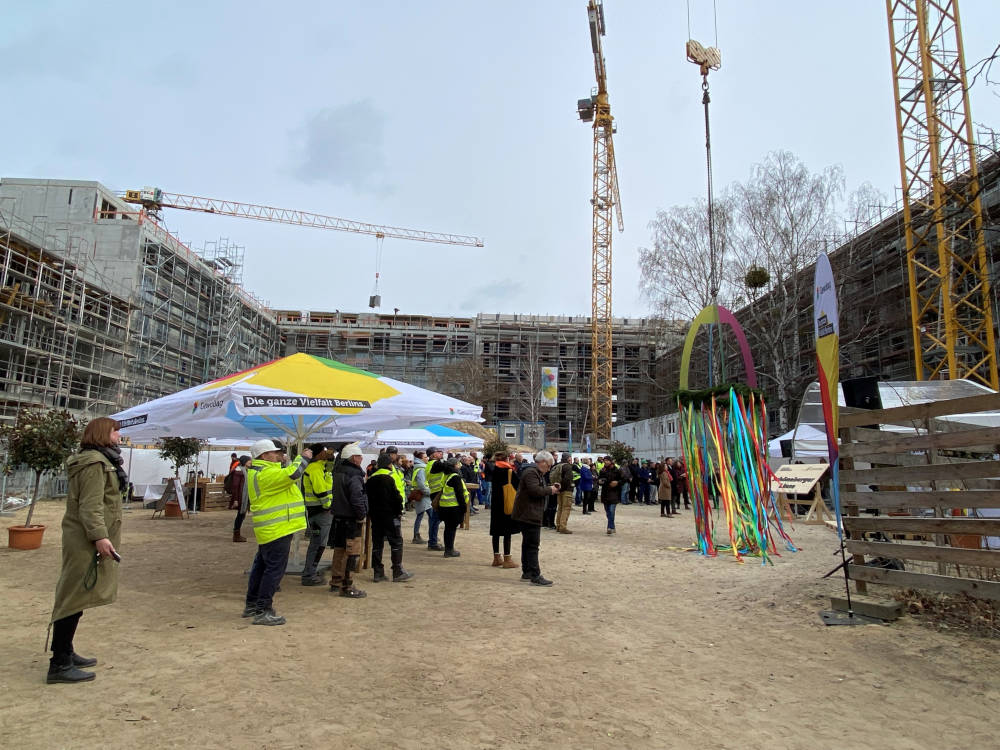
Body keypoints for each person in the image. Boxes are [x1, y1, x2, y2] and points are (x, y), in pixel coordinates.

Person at [47, 417, 126, 684]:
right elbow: (90, 506)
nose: (119, 437)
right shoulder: (95, 463)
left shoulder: (98, 460)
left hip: (85, 538)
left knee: (77, 595)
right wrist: (100, 537)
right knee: (73, 597)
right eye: (116, 432)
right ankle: (59, 663)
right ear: (105, 433)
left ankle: (66, 652)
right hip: (85, 539)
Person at [243, 439, 312, 625]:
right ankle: (263, 609)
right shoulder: (265, 473)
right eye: (276, 453)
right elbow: (293, 474)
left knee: (261, 567)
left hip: (270, 528)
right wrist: (303, 458)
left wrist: (287, 460)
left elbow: (285, 473)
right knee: (274, 570)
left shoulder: (259, 471)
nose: (279, 455)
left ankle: (252, 604)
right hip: (277, 528)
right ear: (264, 455)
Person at [511, 451, 559, 586]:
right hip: (528, 514)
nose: (549, 468)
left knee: (527, 544)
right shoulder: (531, 473)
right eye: (548, 465)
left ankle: (527, 572)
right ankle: (535, 575)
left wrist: (550, 488)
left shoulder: (535, 473)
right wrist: (550, 490)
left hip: (528, 513)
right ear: (542, 462)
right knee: (532, 545)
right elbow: (535, 491)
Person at [328, 443, 369, 598]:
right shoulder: (354, 475)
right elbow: (357, 497)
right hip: (350, 519)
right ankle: (347, 586)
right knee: (352, 552)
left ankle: (336, 581)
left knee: (339, 551)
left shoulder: (337, 472)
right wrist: (361, 515)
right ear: (353, 458)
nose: (361, 458)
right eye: (359, 456)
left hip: (338, 517)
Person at [367, 453, 414, 583]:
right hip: (390, 515)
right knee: (396, 541)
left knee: (377, 543)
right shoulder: (391, 477)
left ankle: (378, 572)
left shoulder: (371, 479)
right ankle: (397, 570)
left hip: (376, 515)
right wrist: (399, 510)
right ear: (389, 464)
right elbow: (397, 496)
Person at [300, 444, 334, 586]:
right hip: (320, 511)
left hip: (318, 510)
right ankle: (309, 574)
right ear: (319, 454)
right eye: (324, 451)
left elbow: (330, 469)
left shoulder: (320, 466)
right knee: (318, 544)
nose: (326, 453)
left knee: (317, 543)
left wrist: (331, 458)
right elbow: (320, 490)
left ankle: (309, 573)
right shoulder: (314, 469)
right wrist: (328, 506)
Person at [487, 451, 519, 568]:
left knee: (496, 531)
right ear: (506, 459)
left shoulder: (494, 470)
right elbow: (518, 485)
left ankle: (496, 558)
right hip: (507, 503)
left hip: (496, 504)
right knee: (507, 532)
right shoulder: (509, 471)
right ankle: (507, 559)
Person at [437, 458, 468, 557]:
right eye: (458, 463)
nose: (460, 465)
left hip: (445, 506)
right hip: (453, 507)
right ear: (455, 465)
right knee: (451, 529)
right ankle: (449, 550)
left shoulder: (446, 475)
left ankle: (448, 549)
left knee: (448, 528)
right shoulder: (455, 477)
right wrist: (464, 507)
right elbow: (459, 494)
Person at [423, 446, 447, 551]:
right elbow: (448, 466)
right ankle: (432, 542)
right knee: (435, 519)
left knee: (435, 519)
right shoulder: (435, 464)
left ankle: (432, 541)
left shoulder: (429, 464)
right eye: (438, 452)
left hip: (434, 493)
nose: (440, 453)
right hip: (438, 493)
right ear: (433, 455)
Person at [411, 450, 433, 543]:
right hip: (424, 495)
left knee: (420, 515)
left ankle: (417, 535)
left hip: (421, 495)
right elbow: (421, 484)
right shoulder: (421, 469)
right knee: (431, 516)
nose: (427, 458)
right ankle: (432, 535)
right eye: (425, 457)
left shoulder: (418, 468)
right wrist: (429, 492)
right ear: (420, 459)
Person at [599, 456, 624, 535]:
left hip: (614, 493)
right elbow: (599, 480)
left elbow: (623, 479)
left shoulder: (617, 470)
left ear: (610, 461)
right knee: (607, 512)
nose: (605, 462)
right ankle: (612, 526)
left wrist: (617, 483)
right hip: (605, 493)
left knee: (611, 510)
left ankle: (609, 527)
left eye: (607, 460)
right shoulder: (602, 470)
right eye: (604, 461)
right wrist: (600, 481)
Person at [552, 452, 576, 534]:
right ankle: (563, 527)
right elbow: (567, 479)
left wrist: (558, 489)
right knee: (566, 508)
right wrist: (563, 487)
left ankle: (558, 525)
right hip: (567, 490)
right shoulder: (567, 467)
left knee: (560, 508)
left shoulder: (558, 465)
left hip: (559, 490)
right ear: (568, 458)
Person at [230, 455, 250, 542]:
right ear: (245, 461)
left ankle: (237, 534)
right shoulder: (239, 471)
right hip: (240, 497)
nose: (251, 462)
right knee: (240, 515)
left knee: (241, 515)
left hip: (243, 497)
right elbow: (235, 486)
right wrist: (235, 500)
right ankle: (236, 535)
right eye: (249, 461)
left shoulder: (245, 471)